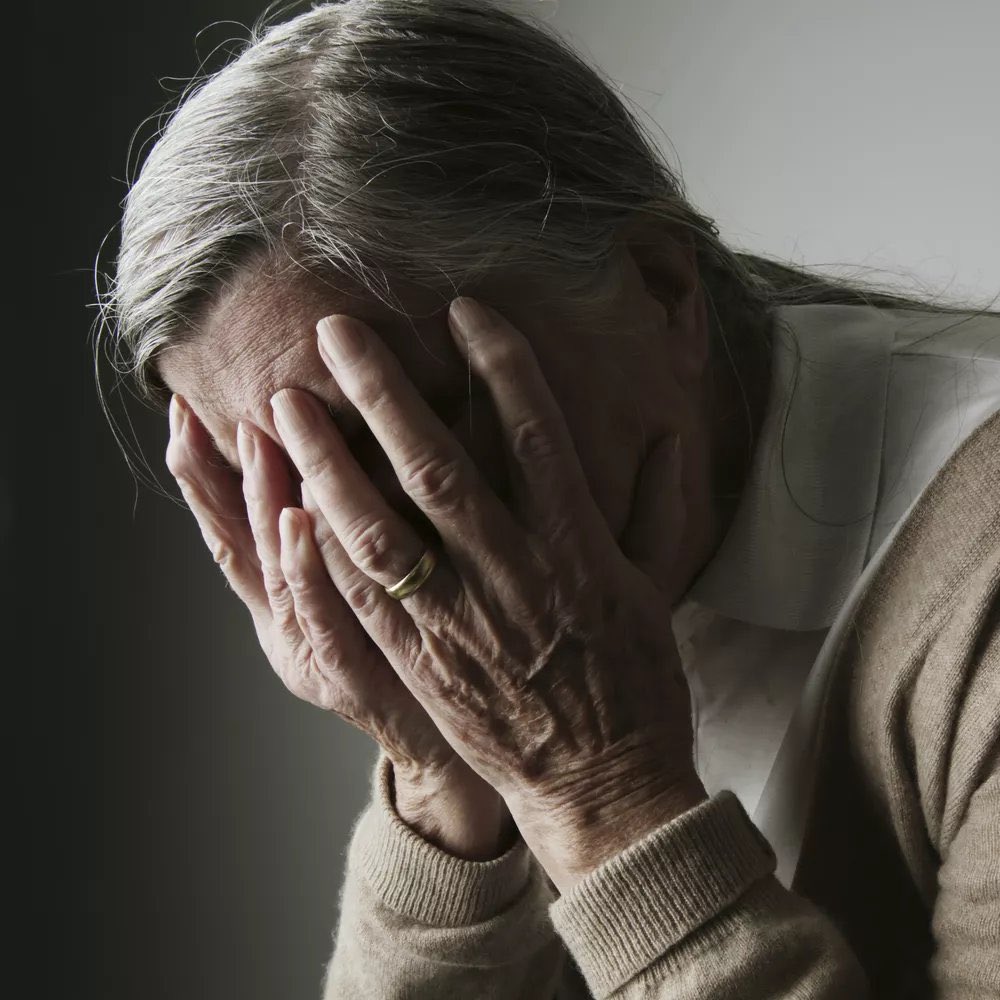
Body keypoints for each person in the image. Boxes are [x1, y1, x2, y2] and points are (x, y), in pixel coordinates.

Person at [95, 1, 999, 996]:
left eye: (415, 421)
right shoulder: (511, 641)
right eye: (290, 480)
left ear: (659, 287)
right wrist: (442, 769)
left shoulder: (976, 585)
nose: (370, 545)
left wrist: (600, 789)